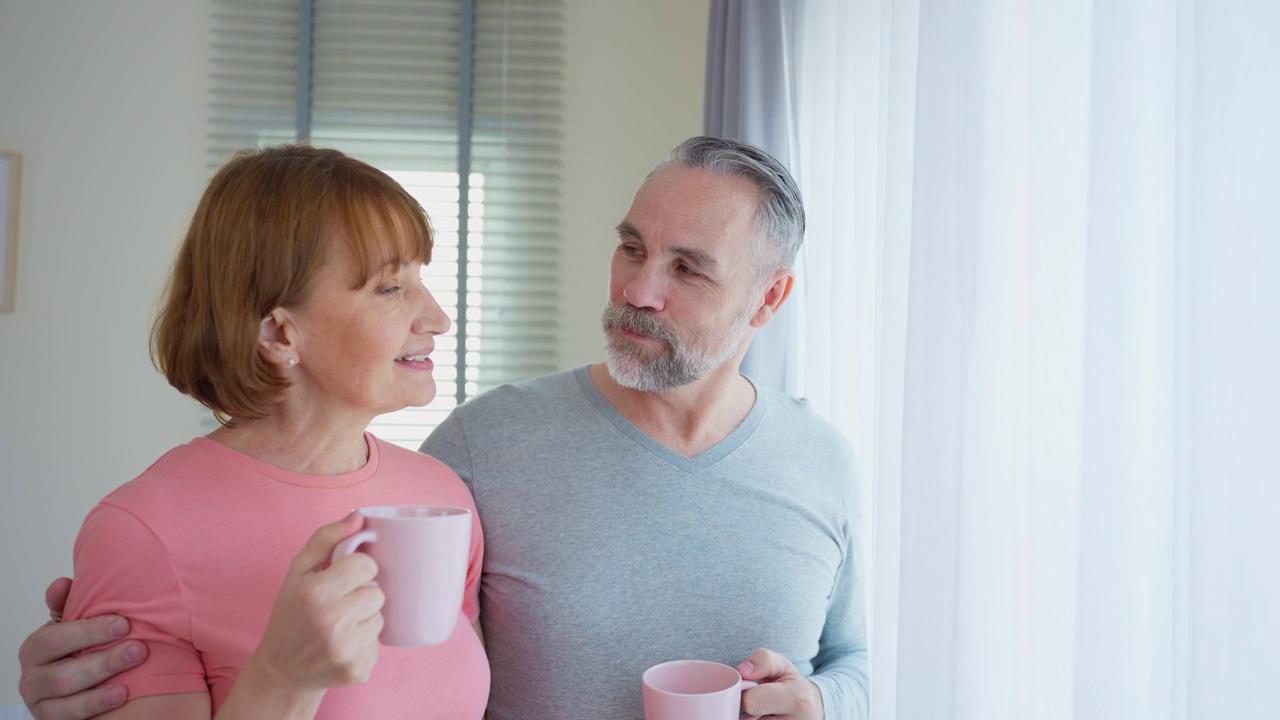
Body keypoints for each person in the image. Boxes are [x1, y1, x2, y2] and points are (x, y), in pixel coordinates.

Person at [18, 137, 867, 719]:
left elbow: (854, 663)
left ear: (769, 298)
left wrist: (825, 701)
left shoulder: (432, 492)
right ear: (280, 332)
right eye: (632, 248)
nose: (640, 289)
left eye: (688, 267)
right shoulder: (479, 452)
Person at [18, 145, 489, 720]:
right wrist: (283, 677)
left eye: (420, 279)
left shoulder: (440, 498)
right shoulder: (142, 533)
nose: (438, 318)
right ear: (279, 334)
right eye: (390, 288)